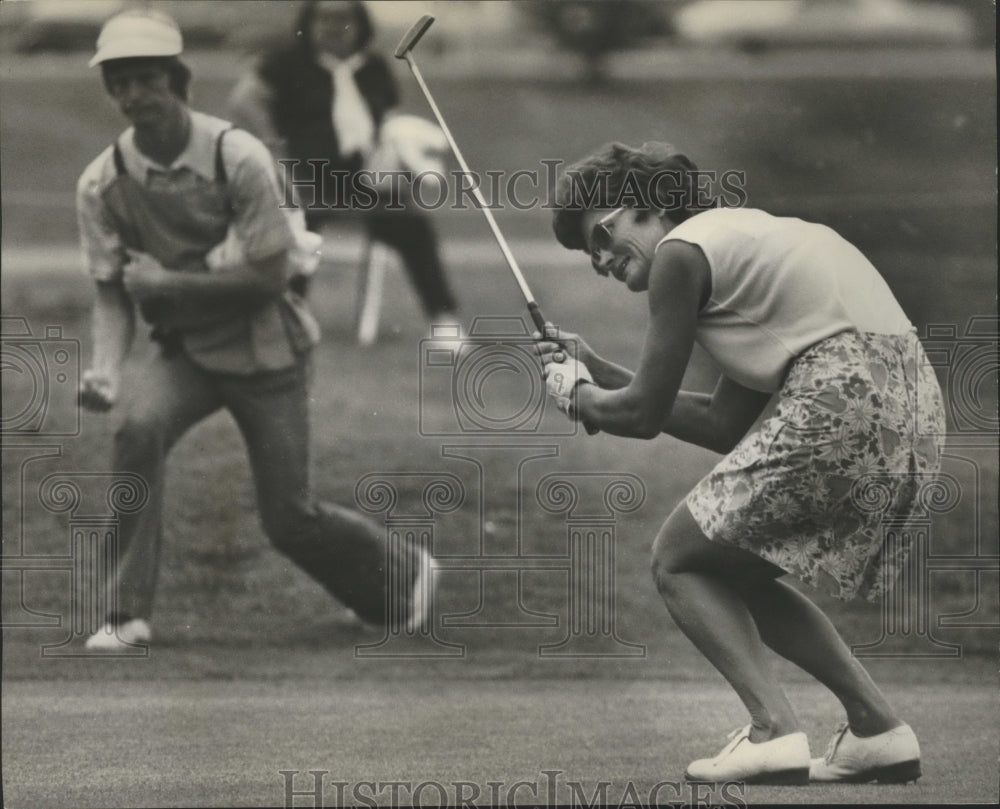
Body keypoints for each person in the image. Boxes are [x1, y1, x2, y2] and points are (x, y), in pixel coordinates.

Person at [539, 141, 945, 784]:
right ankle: (878, 731)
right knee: (734, 568)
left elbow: (643, 415)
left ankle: (772, 731)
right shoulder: (741, 240)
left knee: (678, 557)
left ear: (647, 206)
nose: (598, 261)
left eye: (601, 235)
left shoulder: (679, 255)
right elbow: (723, 422)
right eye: (588, 253)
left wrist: (576, 393)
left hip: (840, 397)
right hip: (909, 414)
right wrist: (598, 373)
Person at [76, 8, 433, 651]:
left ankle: (405, 576)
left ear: (176, 79)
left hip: (271, 350)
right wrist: (105, 367)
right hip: (187, 354)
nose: (133, 95)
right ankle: (124, 612)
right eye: (119, 82)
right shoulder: (103, 182)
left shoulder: (235, 155)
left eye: (146, 78)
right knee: (135, 428)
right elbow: (111, 291)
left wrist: (169, 286)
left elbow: (271, 277)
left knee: (288, 520)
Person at [226, 0, 459, 325]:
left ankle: (443, 320)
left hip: (366, 180)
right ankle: (288, 320)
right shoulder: (289, 63)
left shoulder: (374, 66)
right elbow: (244, 101)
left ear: (360, 23)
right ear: (309, 21)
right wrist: (275, 152)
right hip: (306, 176)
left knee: (413, 225)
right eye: (324, 18)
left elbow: (390, 116)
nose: (333, 27)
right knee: (296, 228)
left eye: (343, 18)